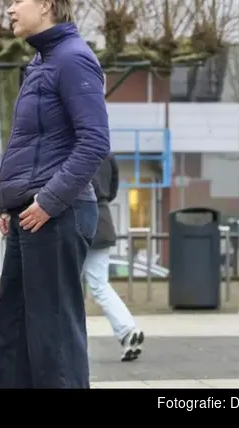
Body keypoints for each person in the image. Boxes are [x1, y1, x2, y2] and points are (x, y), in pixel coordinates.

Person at [0, 0, 110, 389]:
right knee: (13, 333)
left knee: (53, 338)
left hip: (57, 214)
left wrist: (47, 201)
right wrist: (11, 204)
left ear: (47, 5)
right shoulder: (42, 61)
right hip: (29, 214)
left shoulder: (73, 58)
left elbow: (94, 142)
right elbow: (34, 144)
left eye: (18, 0)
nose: (9, 9)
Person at [82, 154, 145, 362]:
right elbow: (112, 190)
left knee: (67, 287)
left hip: (78, 221)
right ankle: (127, 330)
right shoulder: (107, 156)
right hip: (103, 220)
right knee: (100, 285)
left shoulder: (71, 149)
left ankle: (74, 343)